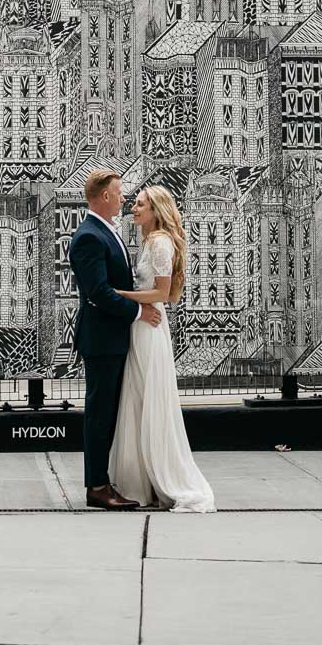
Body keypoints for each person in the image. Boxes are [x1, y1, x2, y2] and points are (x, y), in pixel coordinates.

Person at [106, 184, 217, 512]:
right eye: (135, 204)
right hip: (142, 326)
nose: (134, 208)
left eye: (140, 205)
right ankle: (145, 480)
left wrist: (118, 296)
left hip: (149, 327)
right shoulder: (151, 242)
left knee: (147, 398)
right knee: (140, 398)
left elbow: (163, 294)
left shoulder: (159, 244)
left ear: (155, 211)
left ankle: (155, 479)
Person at [68, 168, 160, 511]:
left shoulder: (105, 231)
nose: (124, 199)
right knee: (100, 413)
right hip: (102, 340)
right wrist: (139, 313)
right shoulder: (89, 236)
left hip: (112, 338)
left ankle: (104, 481)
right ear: (104, 196)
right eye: (120, 193)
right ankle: (97, 486)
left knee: (108, 412)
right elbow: (99, 293)